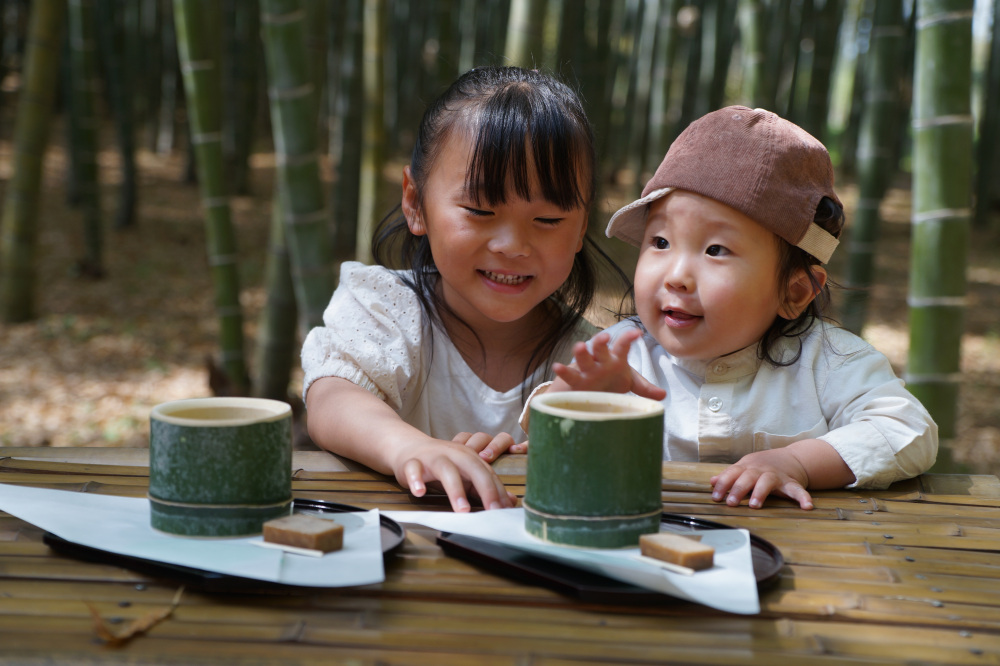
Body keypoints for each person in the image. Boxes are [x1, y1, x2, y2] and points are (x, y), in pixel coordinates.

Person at [541, 105, 938, 510]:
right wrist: (575, 400)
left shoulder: (829, 363)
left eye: (716, 250)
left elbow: (907, 429)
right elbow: (541, 452)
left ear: (796, 292)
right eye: (660, 242)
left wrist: (796, 462)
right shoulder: (623, 355)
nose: (676, 275)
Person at [302, 67, 624, 513]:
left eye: (548, 220)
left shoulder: (589, 359)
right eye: (479, 210)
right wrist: (409, 448)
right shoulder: (388, 308)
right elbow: (331, 397)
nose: (512, 246)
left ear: (582, 227)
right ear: (415, 203)